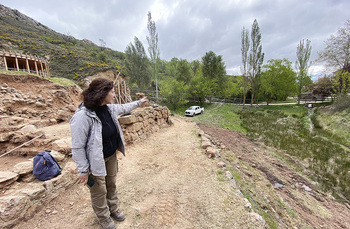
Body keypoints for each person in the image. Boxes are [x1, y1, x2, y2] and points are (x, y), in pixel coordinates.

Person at [70, 78, 147, 229]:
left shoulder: (109, 108)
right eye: (111, 92)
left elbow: (125, 107)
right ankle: (103, 217)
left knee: (111, 184)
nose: (114, 95)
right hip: (94, 162)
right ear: (102, 94)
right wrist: (83, 170)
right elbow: (77, 146)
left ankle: (113, 208)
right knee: (99, 190)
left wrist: (139, 103)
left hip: (111, 156)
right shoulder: (82, 116)